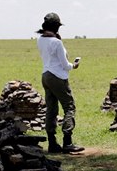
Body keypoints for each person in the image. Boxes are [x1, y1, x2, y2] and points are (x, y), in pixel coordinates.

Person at [36, 12, 84, 154]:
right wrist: (74, 65)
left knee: (51, 109)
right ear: (57, 26)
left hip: (45, 75)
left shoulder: (40, 39)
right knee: (69, 107)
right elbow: (65, 65)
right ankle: (67, 142)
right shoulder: (57, 42)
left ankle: (52, 143)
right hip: (58, 77)